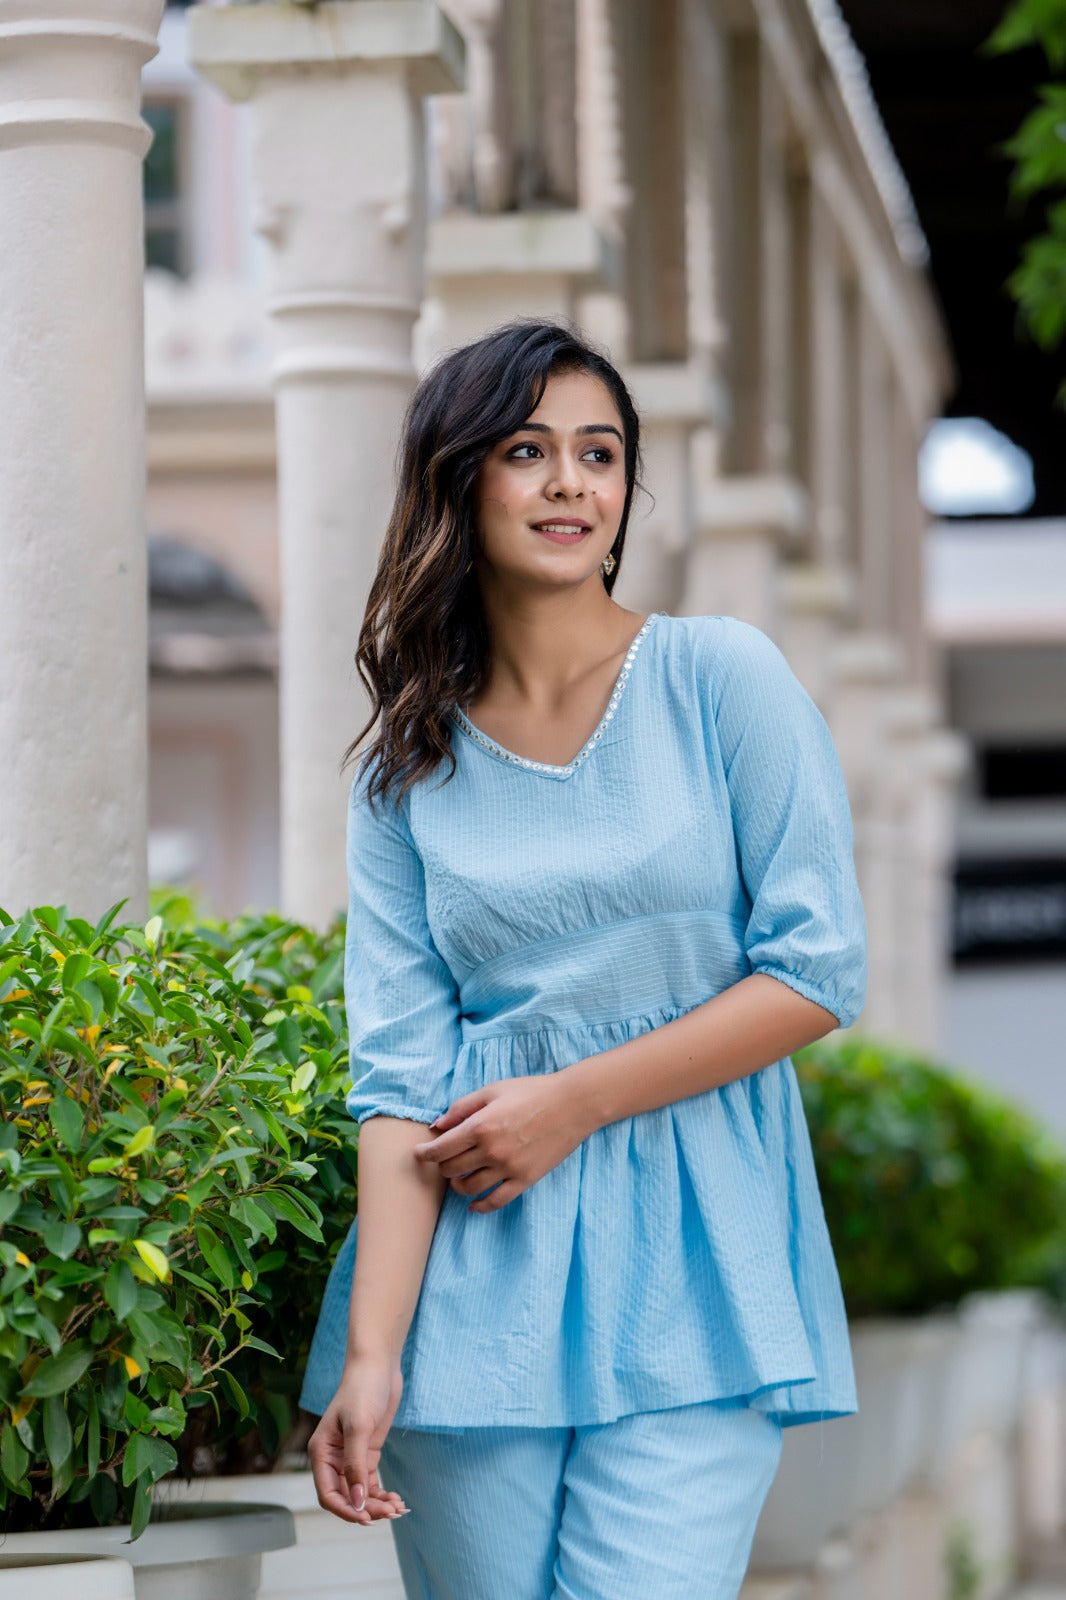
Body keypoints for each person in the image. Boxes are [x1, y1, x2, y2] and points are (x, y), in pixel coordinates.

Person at [299, 318, 868, 1600]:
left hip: (698, 1258)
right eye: (527, 449)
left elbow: (815, 968)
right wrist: (376, 1356)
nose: (570, 481)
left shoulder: (722, 678)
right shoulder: (405, 768)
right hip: (474, 1278)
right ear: (458, 482)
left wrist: (573, 1100)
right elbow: (396, 1078)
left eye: (598, 453)